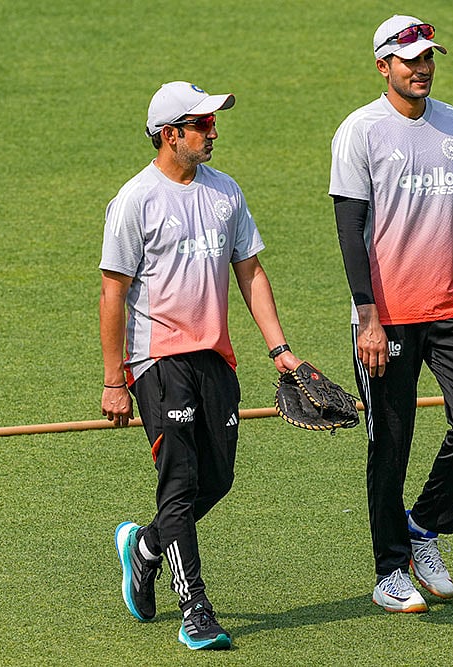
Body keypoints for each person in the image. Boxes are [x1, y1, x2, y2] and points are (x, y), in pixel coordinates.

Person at [99, 80, 301, 650]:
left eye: (213, 123)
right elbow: (113, 291)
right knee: (182, 482)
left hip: (216, 358)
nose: (214, 132)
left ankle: (144, 547)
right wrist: (116, 380)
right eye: (202, 125)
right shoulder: (134, 200)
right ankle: (196, 609)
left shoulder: (225, 193)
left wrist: (280, 350)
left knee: (218, 479)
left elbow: (251, 272)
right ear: (170, 135)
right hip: (157, 361)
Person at [328, 15, 453, 613]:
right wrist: (367, 318)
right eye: (411, 60)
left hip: (451, 305)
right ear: (384, 67)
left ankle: (424, 526)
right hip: (388, 317)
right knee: (390, 445)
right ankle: (389, 570)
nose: (423, 68)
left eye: (429, 59)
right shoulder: (359, 132)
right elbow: (350, 229)